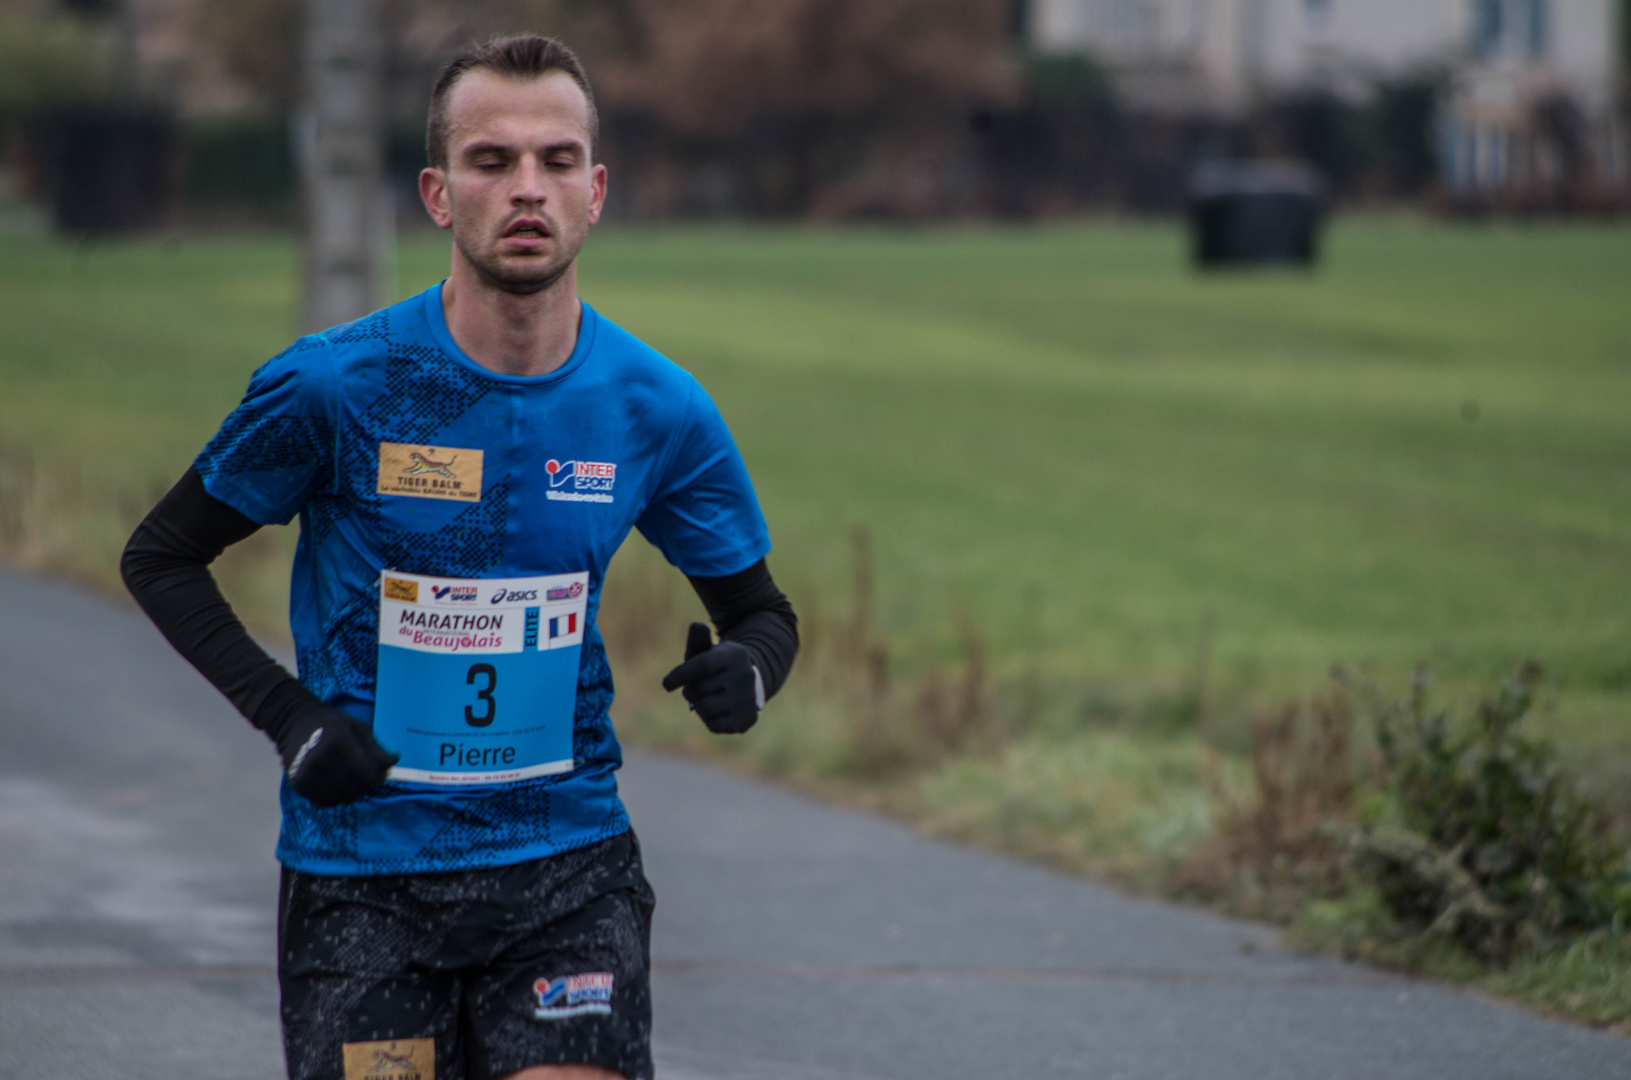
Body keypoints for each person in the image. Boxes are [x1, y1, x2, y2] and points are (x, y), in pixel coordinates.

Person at [121, 35, 797, 1080]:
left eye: (556, 160)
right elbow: (161, 557)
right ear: (437, 194)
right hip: (364, 876)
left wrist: (748, 670)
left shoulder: (654, 407)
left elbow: (763, 615)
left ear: (596, 190)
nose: (527, 187)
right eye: (492, 161)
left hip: (567, 868)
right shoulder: (335, 388)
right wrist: (290, 716)